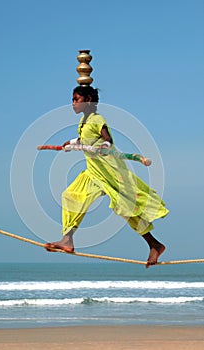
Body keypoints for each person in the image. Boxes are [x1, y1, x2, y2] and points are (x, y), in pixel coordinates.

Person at [45, 86, 169, 267]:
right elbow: (86, 139)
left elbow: (107, 138)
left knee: (126, 208)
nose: (73, 103)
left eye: (76, 99)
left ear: (88, 100)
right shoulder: (83, 121)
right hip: (93, 171)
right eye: (72, 99)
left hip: (109, 170)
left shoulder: (97, 119)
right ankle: (67, 240)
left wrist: (105, 145)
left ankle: (154, 244)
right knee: (70, 196)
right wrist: (72, 142)